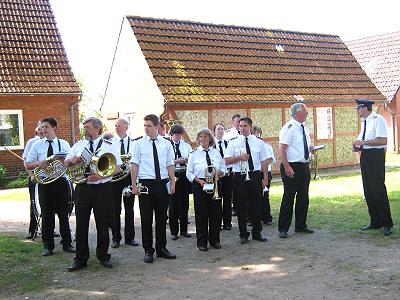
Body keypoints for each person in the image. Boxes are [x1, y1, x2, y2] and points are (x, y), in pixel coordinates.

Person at [65, 117, 122, 271]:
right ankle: (80, 258)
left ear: (97, 129)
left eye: (88, 127)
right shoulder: (79, 144)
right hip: (82, 188)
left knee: (102, 224)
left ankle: (103, 256)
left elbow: (118, 167)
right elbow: (66, 161)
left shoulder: (109, 145)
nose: (85, 130)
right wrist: (72, 159)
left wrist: (100, 176)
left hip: (102, 188)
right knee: (81, 224)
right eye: (84, 127)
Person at [25, 117, 75, 256]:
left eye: (46, 127)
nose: (43, 129)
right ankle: (48, 246)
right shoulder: (36, 145)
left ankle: (67, 243)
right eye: (42, 127)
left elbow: (70, 162)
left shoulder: (64, 144)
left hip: (61, 183)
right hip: (45, 184)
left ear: (54, 128)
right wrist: (39, 163)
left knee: (64, 215)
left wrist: (67, 161)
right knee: (47, 215)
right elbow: (28, 164)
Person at [130, 114, 176, 263]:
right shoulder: (138, 143)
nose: (146, 128)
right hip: (146, 184)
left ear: (157, 127)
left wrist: (173, 182)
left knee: (162, 218)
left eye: (149, 126)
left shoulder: (166, 144)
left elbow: (170, 164)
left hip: (162, 184)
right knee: (146, 219)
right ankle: (148, 250)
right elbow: (134, 164)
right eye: (145, 125)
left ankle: (161, 248)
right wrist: (134, 185)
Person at [224, 117, 270, 244]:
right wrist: (239, 157)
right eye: (240, 126)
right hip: (240, 175)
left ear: (250, 126)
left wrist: (265, 177)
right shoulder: (233, 142)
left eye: (244, 126)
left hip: (255, 175)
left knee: (256, 205)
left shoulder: (258, 142)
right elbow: (226, 160)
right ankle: (243, 233)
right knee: (241, 206)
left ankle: (257, 232)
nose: (242, 128)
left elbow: (263, 161)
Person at [352, 99, 393, 236]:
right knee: (368, 189)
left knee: (378, 189)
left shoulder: (378, 119)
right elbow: (363, 142)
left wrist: (364, 142)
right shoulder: (364, 122)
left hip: (375, 156)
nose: (357, 111)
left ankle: (387, 223)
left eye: (358, 108)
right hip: (366, 156)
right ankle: (375, 221)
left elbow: (383, 140)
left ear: (364, 108)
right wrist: (357, 146)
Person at [278, 103, 313, 239]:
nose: (307, 114)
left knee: (303, 197)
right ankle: (283, 228)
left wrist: (310, 150)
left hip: (303, 165)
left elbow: (302, 146)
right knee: (288, 197)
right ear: (297, 113)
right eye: (305, 111)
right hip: (292, 165)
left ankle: (300, 225)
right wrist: (287, 166)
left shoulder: (303, 127)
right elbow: (282, 148)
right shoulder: (289, 127)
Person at [186, 128, 225, 251]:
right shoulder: (194, 154)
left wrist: (220, 172)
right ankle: (202, 242)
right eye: (200, 137)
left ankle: (215, 240)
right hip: (200, 184)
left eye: (205, 137)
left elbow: (223, 166)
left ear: (210, 139)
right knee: (201, 215)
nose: (202, 139)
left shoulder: (216, 153)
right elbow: (189, 173)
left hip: (215, 184)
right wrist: (199, 181)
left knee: (216, 214)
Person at [110, 118, 139, 248]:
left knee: (129, 208)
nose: (117, 128)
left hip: (128, 177)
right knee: (115, 209)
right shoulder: (110, 143)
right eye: (115, 126)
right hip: (114, 178)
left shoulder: (134, 143)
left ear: (126, 128)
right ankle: (116, 238)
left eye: (119, 126)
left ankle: (129, 237)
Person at [166, 124, 192, 240]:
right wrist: (177, 160)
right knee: (173, 205)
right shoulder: (166, 145)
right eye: (176, 134)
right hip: (172, 174)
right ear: (172, 134)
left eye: (180, 134)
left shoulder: (186, 145)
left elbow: (192, 157)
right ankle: (174, 232)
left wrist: (186, 160)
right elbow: (164, 160)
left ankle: (184, 230)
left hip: (184, 174)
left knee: (184, 203)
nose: (178, 137)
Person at [22, 122, 43, 239]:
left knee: (47, 203)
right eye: (39, 129)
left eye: (43, 128)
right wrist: (31, 174)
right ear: (36, 131)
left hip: (46, 177)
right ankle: (33, 229)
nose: (41, 131)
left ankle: (48, 229)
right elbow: (25, 160)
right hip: (34, 177)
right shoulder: (31, 142)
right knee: (34, 203)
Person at [253, 126, 275, 225]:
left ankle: (266, 217)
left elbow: (271, 159)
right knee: (254, 197)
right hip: (256, 173)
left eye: (258, 132)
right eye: (255, 133)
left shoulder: (266, 145)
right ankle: (253, 218)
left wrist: (264, 164)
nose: (257, 134)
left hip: (266, 173)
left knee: (265, 195)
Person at [213, 123, 233, 230]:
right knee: (217, 200)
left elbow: (230, 159)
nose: (220, 131)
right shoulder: (212, 145)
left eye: (222, 129)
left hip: (227, 175)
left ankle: (227, 223)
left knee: (227, 199)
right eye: (218, 129)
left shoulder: (228, 144)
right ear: (214, 131)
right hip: (216, 176)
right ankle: (217, 222)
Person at [223, 114, 241, 216]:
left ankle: (239, 206)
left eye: (240, 121)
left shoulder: (243, 132)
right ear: (233, 122)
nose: (238, 123)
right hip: (232, 163)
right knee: (233, 187)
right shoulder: (229, 133)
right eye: (237, 121)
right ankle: (234, 207)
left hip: (241, 164)